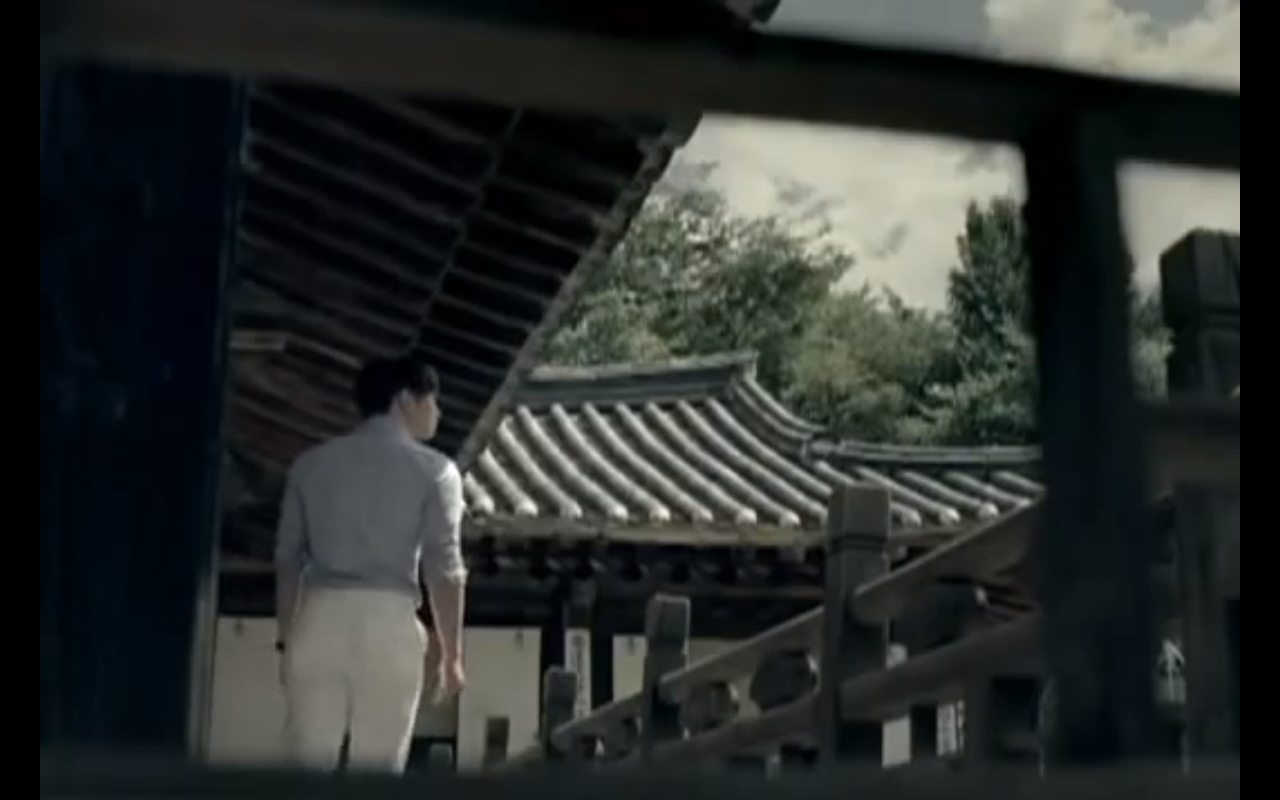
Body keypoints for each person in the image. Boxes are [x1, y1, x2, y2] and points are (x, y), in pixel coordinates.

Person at [274, 356, 468, 774]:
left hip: (319, 615)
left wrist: (287, 638)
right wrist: (452, 654)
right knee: (378, 770)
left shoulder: (310, 464)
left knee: (304, 768)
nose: (438, 411)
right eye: (432, 400)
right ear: (404, 400)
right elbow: (445, 569)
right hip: (390, 620)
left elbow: (288, 560)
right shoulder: (436, 472)